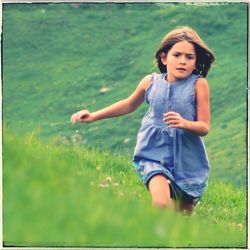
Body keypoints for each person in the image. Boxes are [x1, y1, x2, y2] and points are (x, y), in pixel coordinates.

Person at [71, 26, 215, 214]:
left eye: (189, 57)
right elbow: (128, 104)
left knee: (183, 215)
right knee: (161, 203)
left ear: (196, 63)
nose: (183, 61)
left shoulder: (199, 84)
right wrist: (93, 116)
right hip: (153, 153)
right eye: (177, 55)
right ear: (164, 57)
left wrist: (184, 123)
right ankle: (150, 239)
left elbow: (204, 127)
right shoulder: (150, 82)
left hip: (187, 159)